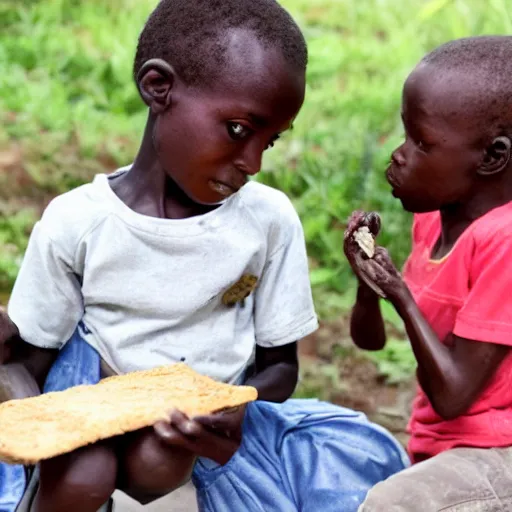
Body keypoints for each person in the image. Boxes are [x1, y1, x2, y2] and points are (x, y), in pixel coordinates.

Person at [0, 1, 408, 511]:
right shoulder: (79, 221)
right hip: (93, 408)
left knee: (163, 460)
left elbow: (280, 367)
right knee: (84, 472)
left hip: (194, 432)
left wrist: (236, 405)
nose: (254, 162)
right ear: (158, 87)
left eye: (271, 140)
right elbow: (31, 365)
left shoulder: (266, 221)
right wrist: (16, 383)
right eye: (239, 129)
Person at [344, 36, 512, 511]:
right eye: (405, 134)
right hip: (442, 445)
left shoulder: (504, 242)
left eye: (422, 143)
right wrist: (368, 286)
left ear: (492, 157)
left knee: (390, 505)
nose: (399, 155)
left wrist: (401, 294)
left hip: (499, 453)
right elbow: (370, 344)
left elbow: (453, 396)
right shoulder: (433, 221)